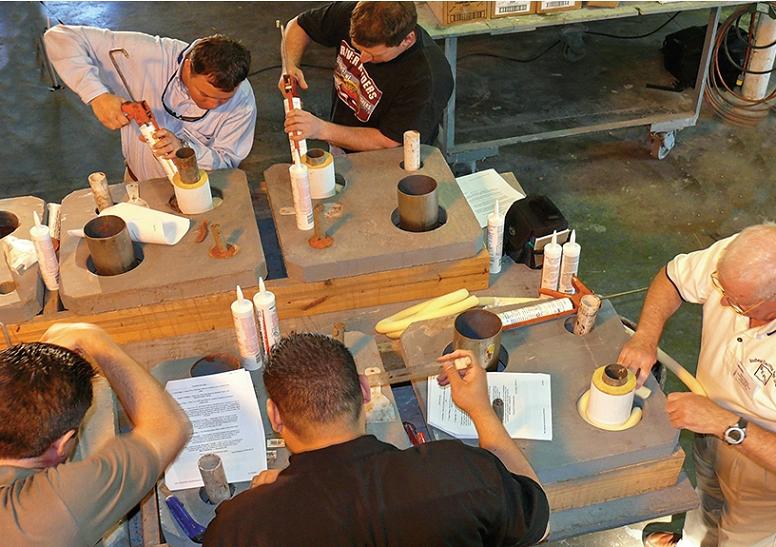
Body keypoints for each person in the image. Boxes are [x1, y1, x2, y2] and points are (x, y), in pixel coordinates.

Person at [204, 333, 549, 546]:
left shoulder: (238, 529)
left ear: (275, 416)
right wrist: (482, 411)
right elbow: (539, 524)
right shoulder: (457, 473)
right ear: (365, 389)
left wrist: (274, 498)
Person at [617, 224, 776, 547]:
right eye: (721, 288)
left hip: (762, 463)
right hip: (709, 422)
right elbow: (672, 279)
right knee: (706, 496)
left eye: (739, 303)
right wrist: (645, 336)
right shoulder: (745, 257)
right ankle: (693, 541)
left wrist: (726, 424)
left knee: (744, 535)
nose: (723, 302)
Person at [0, 323, 192, 545]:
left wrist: (36, 366)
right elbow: (169, 429)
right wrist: (94, 338)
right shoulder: (51, 507)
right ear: (61, 443)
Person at [44, 25, 256, 181]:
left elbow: (228, 163)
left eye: (223, 99)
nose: (212, 105)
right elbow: (60, 37)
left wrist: (185, 150)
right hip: (141, 184)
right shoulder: (149, 53)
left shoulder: (243, 100)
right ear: (188, 66)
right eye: (204, 94)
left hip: (201, 191)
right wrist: (97, 95)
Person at [281, 2, 454, 152]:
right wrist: (289, 66)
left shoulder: (428, 78)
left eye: (373, 54)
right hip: (340, 136)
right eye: (357, 48)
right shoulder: (360, 15)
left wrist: (321, 129)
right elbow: (299, 25)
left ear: (407, 40)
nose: (362, 58)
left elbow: (388, 142)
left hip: (389, 161)